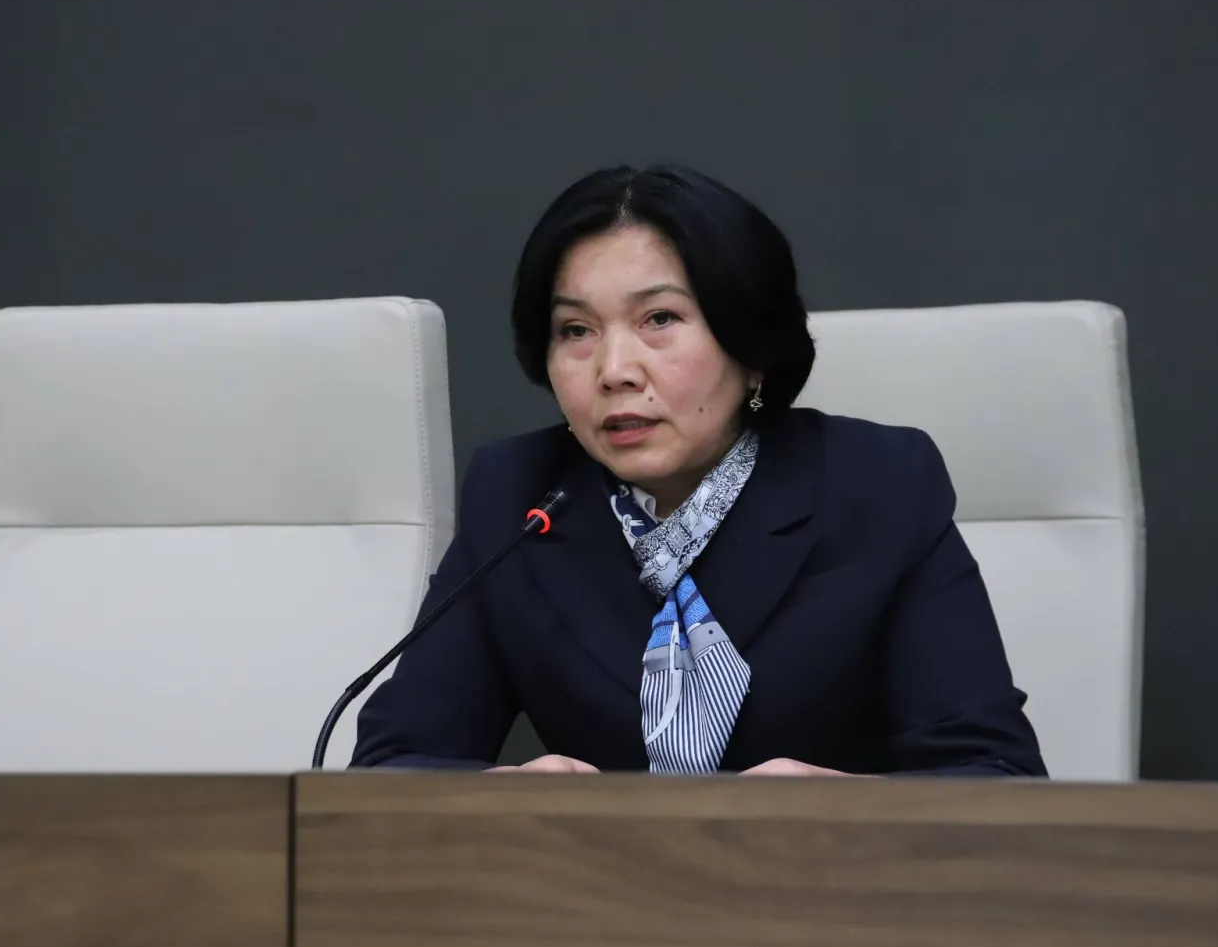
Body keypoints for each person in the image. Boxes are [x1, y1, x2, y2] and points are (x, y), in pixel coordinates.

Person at [351, 165, 1046, 777]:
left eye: (659, 319)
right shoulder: (519, 495)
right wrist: (501, 798)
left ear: (752, 347)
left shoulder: (880, 485)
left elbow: (993, 773)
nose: (614, 371)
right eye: (576, 330)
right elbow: (394, 763)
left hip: (834, 877)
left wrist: (839, 806)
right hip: (589, 880)